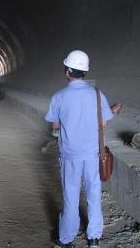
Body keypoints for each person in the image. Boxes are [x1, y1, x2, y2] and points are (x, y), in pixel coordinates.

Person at [45, 50, 113, 248]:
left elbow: (55, 126)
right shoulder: (98, 95)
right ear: (85, 72)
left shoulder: (59, 97)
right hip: (94, 155)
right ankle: (94, 238)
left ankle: (67, 239)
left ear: (67, 71)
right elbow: (103, 124)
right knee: (94, 194)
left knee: (71, 196)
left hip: (70, 155)